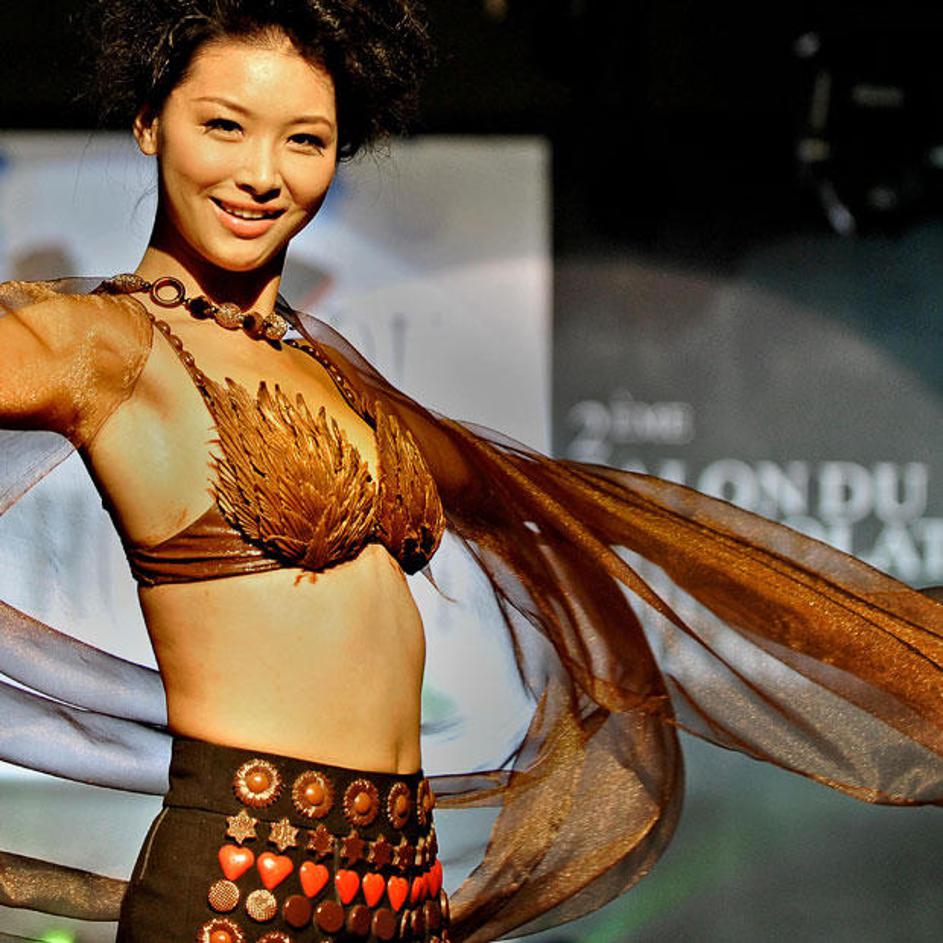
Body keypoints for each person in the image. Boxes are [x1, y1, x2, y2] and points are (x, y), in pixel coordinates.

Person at [0, 2, 941, 942]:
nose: (261, 173)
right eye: (223, 126)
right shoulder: (103, 343)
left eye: (305, 139)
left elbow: (549, 507)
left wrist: (860, 638)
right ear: (149, 124)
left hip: (410, 898)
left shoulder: (332, 375)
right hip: (244, 891)